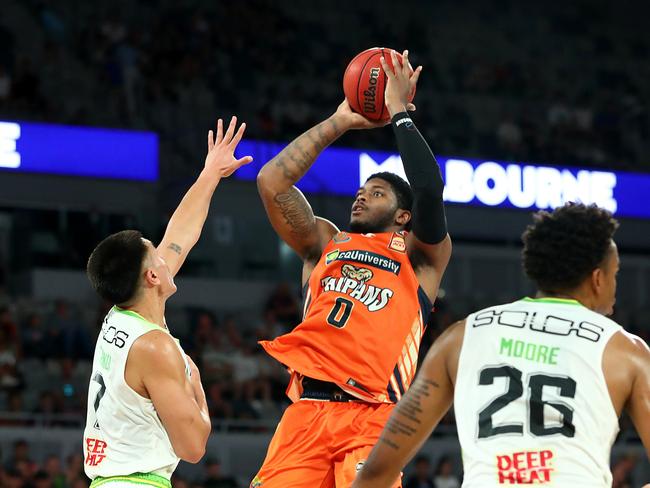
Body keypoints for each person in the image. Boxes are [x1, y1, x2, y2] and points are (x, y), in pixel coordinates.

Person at [252, 50, 451, 487]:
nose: (361, 197)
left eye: (376, 193)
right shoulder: (324, 241)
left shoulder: (419, 255)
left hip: (373, 414)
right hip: (305, 413)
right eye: (360, 191)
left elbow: (429, 189)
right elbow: (271, 182)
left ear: (403, 215)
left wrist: (397, 108)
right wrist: (340, 121)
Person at [353, 203, 650, 488]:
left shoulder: (462, 336)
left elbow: (378, 471)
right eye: (615, 273)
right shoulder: (626, 351)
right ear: (598, 279)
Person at [82, 117, 252, 487]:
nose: (164, 253)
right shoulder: (154, 346)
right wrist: (196, 379)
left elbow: (179, 237)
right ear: (153, 278)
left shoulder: (122, 313)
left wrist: (210, 174)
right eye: (153, 252)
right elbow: (192, 447)